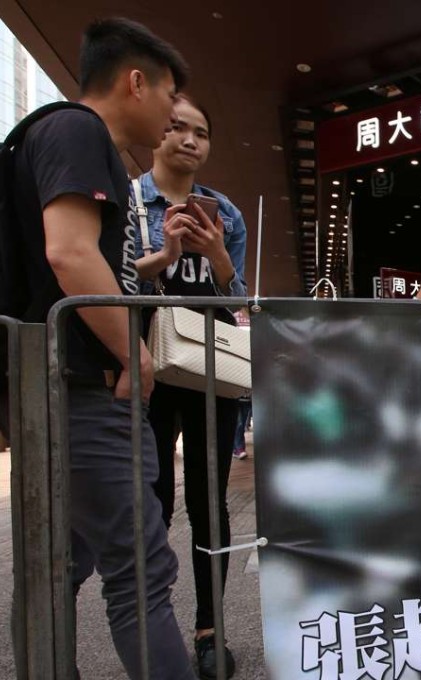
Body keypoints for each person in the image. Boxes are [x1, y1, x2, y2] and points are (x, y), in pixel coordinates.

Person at [10, 17, 195, 679]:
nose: (176, 116)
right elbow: (67, 254)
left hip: (71, 386)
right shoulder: (77, 130)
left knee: (64, 563)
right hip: (83, 388)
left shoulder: (78, 144)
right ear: (136, 82)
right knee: (142, 572)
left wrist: (157, 262)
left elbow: (91, 263)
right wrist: (133, 355)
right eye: (171, 95)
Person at [132, 94, 246, 678]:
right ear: (156, 133)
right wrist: (166, 251)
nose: (189, 140)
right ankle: (152, 621)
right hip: (148, 364)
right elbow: (116, 284)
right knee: (150, 495)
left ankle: (210, 627)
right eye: (177, 127)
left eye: (201, 132)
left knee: (209, 499)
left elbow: (238, 301)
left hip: (211, 368)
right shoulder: (130, 203)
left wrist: (219, 254)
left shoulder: (224, 212)